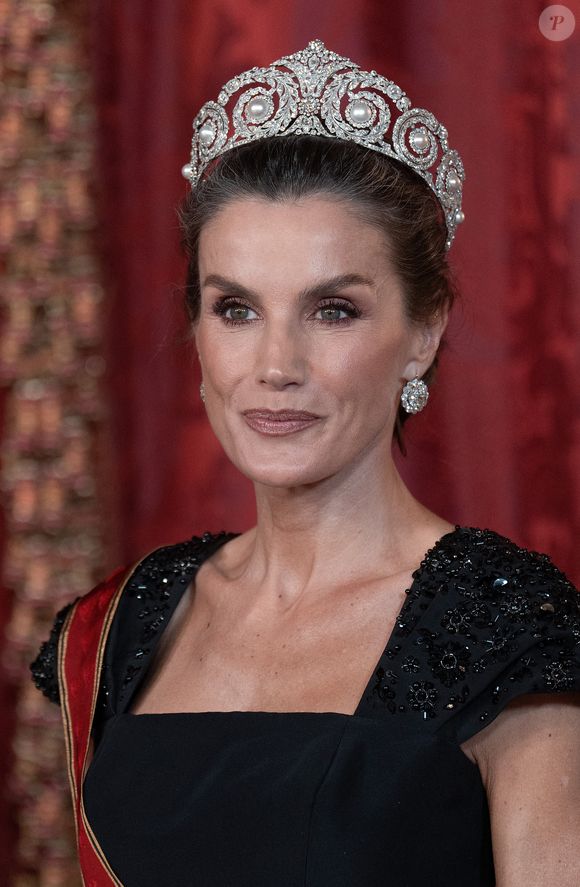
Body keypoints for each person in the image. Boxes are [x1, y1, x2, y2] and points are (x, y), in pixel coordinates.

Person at [30, 39, 580, 887]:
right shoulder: (127, 623)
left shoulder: (508, 634)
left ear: (423, 330)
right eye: (236, 308)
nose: (276, 364)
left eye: (332, 309)